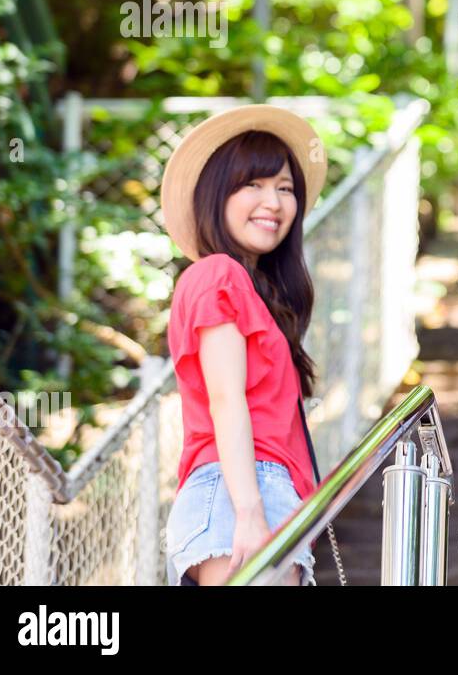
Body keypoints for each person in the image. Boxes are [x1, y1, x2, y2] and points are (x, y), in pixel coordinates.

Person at [160, 105, 328, 586]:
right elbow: (226, 400)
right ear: (217, 194)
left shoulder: (256, 292)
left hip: (254, 496)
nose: (272, 202)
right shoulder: (218, 275)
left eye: (285, 188)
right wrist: (250, 513)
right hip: (243, 493)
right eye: (252, 184)